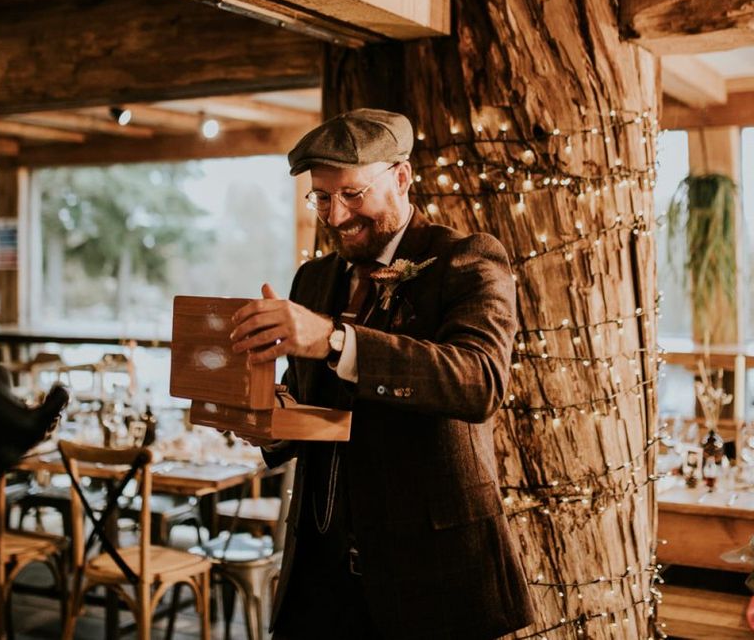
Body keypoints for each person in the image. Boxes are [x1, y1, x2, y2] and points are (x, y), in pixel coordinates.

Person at [229, 109, 535, 640]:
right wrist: (267, 422)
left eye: (351, 194)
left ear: (400, 177)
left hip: (432, 576)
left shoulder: (466, 259)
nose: (336, 215)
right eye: (321, 198)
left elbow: (479, 379)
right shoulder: (314, 278)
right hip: (318, 577)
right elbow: (311, 405)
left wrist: (333, 339)